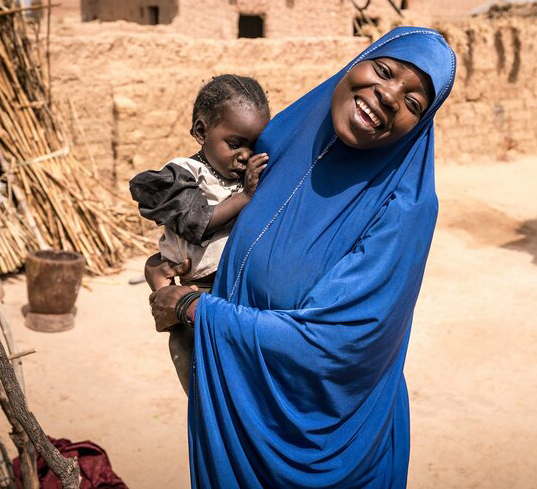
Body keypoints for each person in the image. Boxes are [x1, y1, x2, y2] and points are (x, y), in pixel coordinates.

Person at [149, 27, 456, 487]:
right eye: (385, 71)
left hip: (312, 438)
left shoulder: (404, 207)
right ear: (360, 61)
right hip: (237, 406)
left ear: (421, 125)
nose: (389, 96)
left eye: (413, 103)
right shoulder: (285, 139)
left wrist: (194, 310)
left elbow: (337, 342)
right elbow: (212, 217)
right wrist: (168, 266)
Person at [130, 74, 270, 394]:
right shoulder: (185, 175)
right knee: (204, 389)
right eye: (235, 144)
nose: (245, 155)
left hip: (233, 296)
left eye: (253, 145)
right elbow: (198, 225)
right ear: (201, 131)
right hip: (194, 301)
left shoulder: (243, 178)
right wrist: (245, 198)